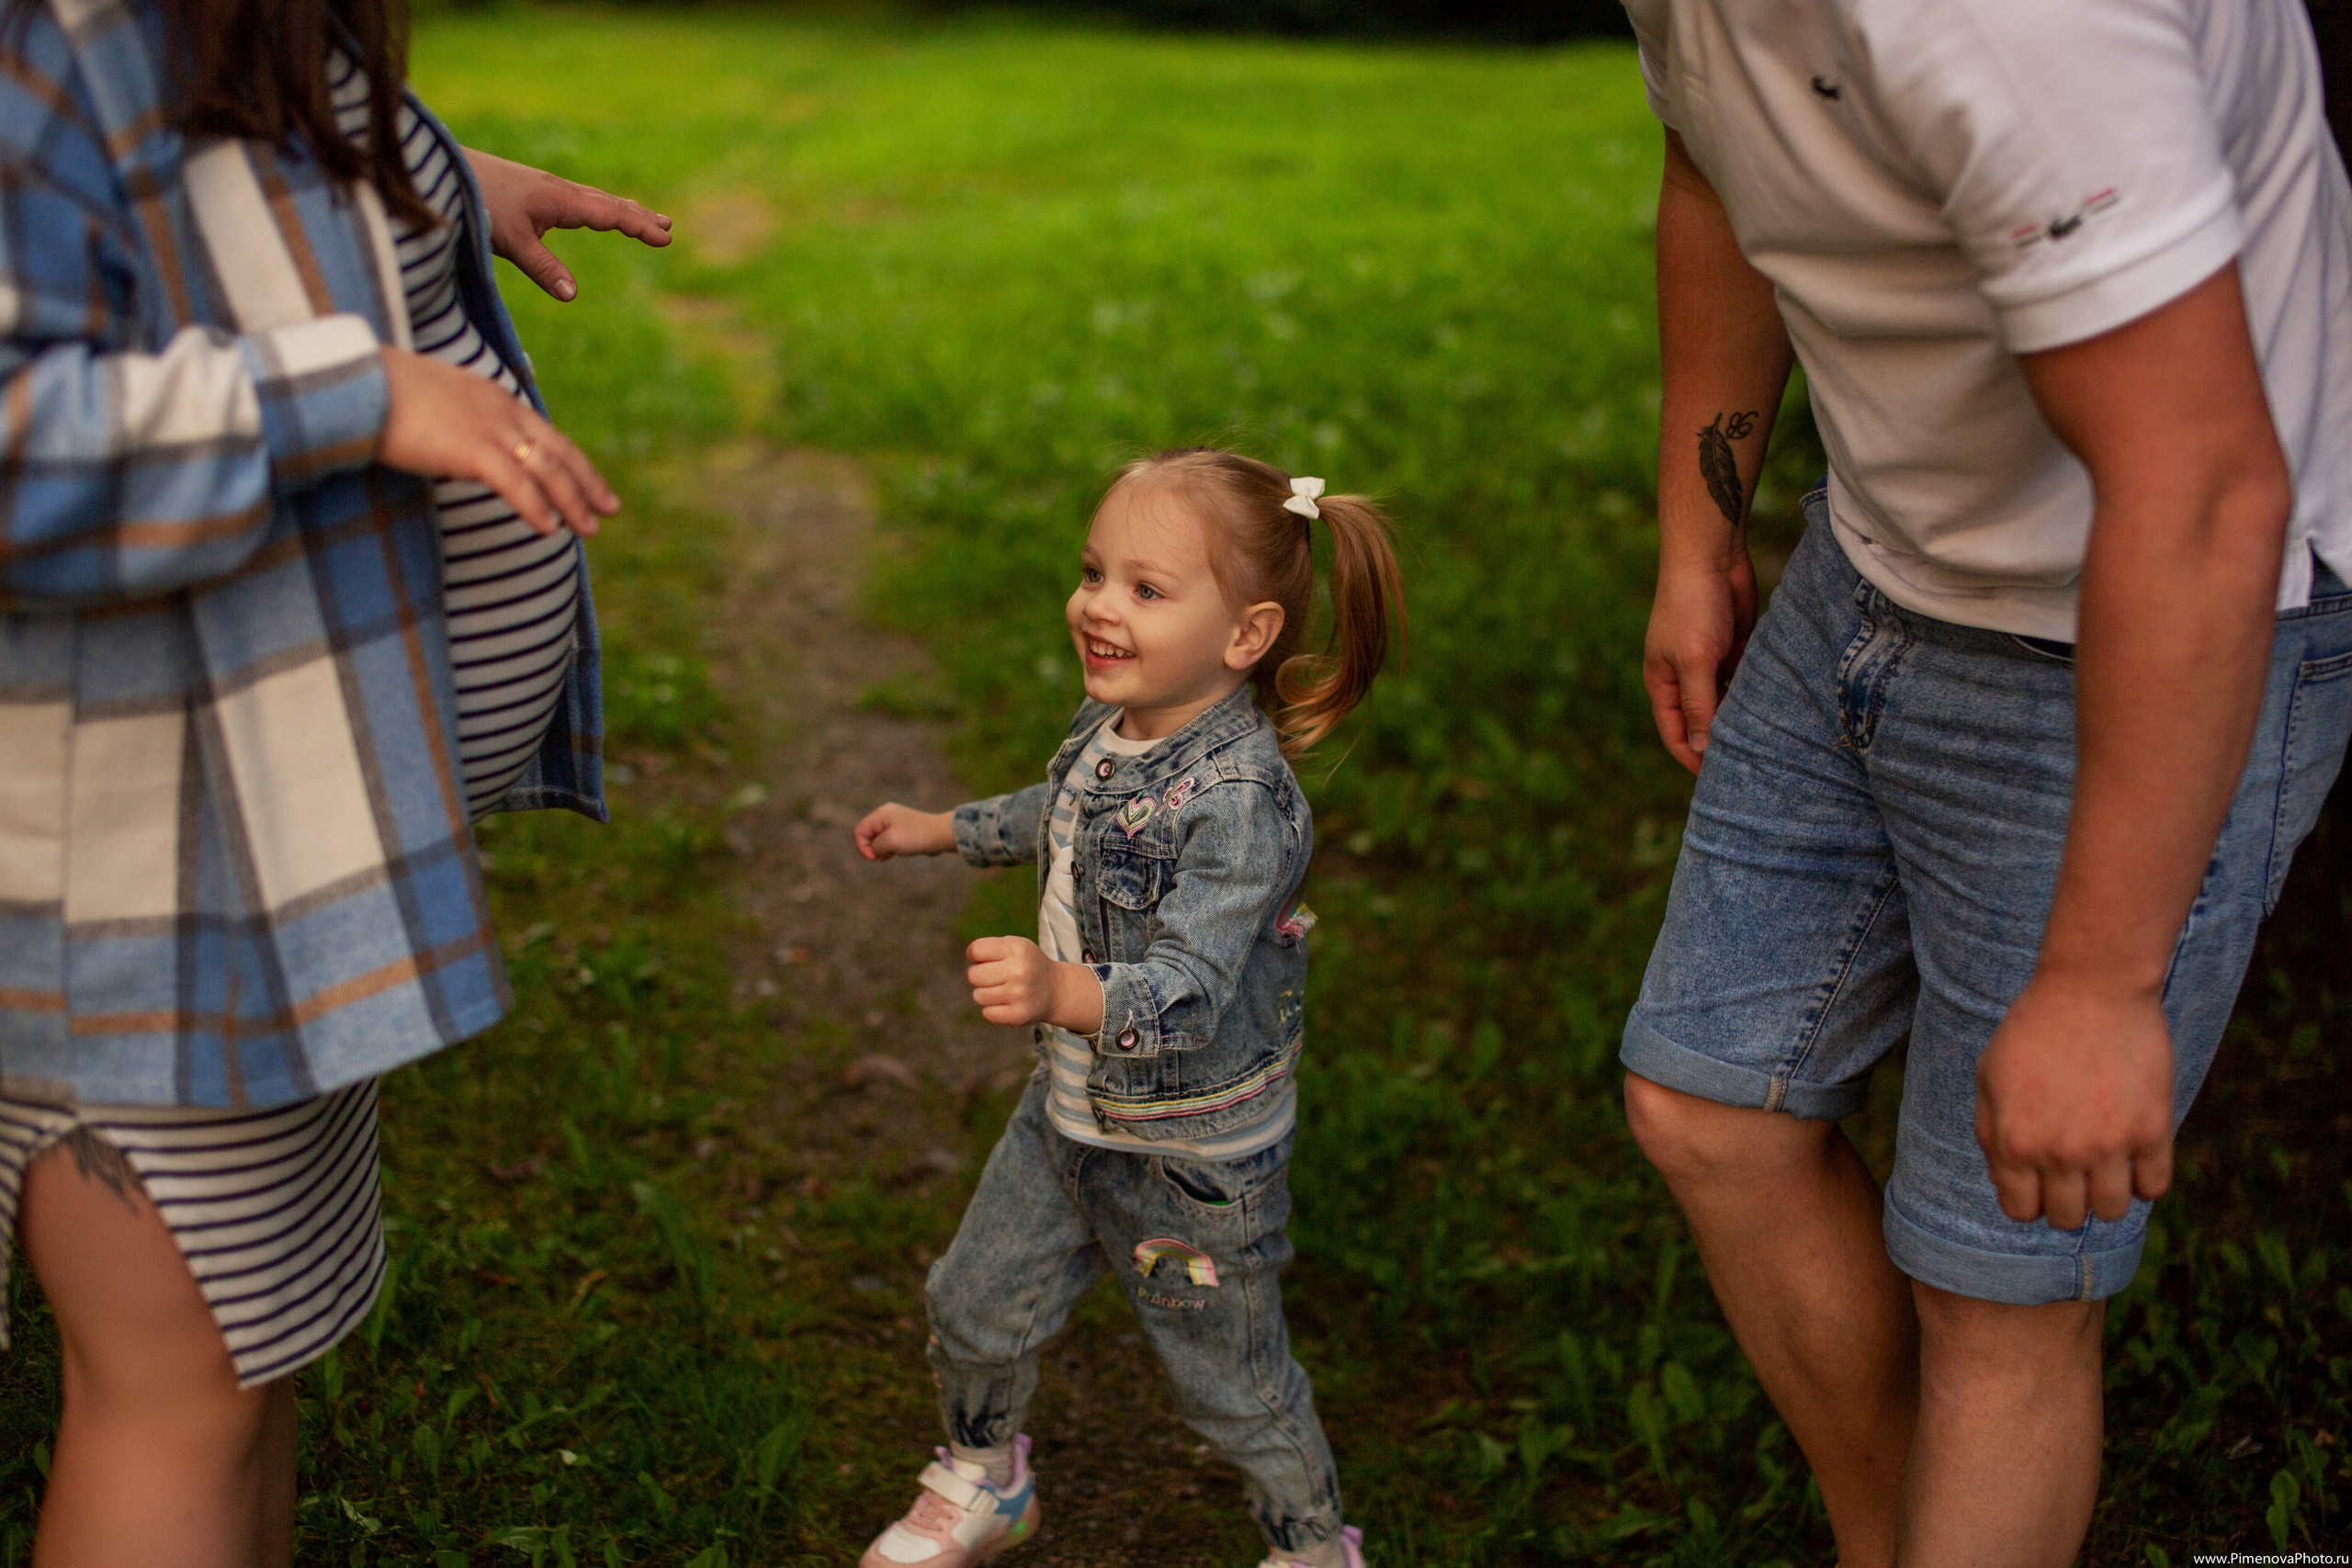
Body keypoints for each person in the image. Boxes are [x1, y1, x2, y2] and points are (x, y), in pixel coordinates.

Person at [1612, 0, 2352, 1562]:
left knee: (1996, 1281)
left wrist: (2099, 983)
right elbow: (1714, 167)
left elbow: (2208, 491)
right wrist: (1701, 531)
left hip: (2149, 612)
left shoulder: (2005, 16)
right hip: (1873, 559)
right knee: (1710, 1104)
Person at [0, 0, 668, 1561]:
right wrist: (350, 395)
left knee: (237, 1370)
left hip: (272, 867)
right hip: (139, 887)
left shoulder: (225, 24)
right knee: (169, 1392)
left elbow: (194, 197)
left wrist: (436, 186)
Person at [849, 450, 1403, 1568]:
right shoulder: (1118, 726)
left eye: (1146, 590)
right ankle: (982, 1477)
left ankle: (1311, 1549)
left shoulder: (1242, 804)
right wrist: (940, 828)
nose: (1099, 605)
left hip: (1192, 1158)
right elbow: (1058, 812)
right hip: (1067, 1117)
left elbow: (1192, 988)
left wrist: (1063, 991)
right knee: (971, 1303)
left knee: (1232, 1385)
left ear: (1243, 637)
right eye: (1094, 572)